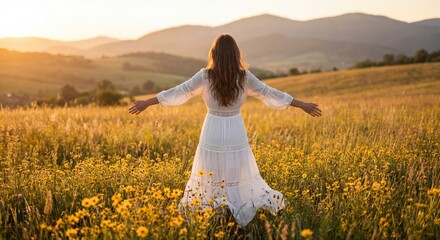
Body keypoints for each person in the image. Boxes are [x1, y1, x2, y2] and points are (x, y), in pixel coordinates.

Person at [128, 34, 322, 227]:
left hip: (212, 128)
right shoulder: (245, 77)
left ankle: (218, 213)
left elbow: (180, 90)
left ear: (214, 54)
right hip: (235, 129)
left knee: (211, 171)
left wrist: (148, 102)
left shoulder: (205, 76)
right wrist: (301, 104)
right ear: (236, 54)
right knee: (235, 173)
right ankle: (234, 213)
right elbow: (269, 93)